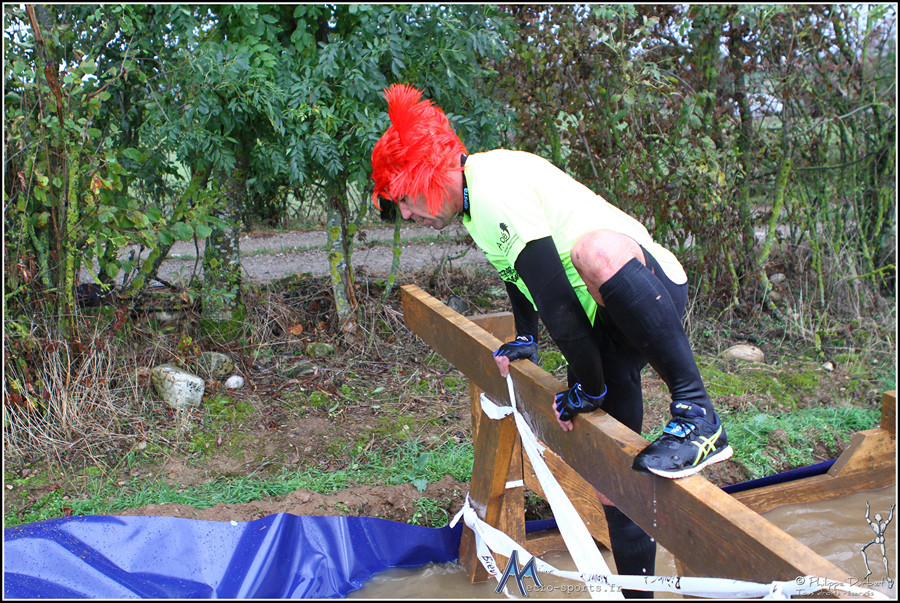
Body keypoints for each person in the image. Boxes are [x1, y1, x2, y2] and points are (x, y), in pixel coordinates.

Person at [370, 83, 732, 598]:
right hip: (605, 327)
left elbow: (557, 300)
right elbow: (519, 277)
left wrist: (589, 387)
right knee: (615, 486)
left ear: (428, 175)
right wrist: (526, 338)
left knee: (593, 251)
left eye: (404, 200)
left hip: (645, 290)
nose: (406, 215)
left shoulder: (492, 184)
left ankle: (699, 414)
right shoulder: (473, 209)